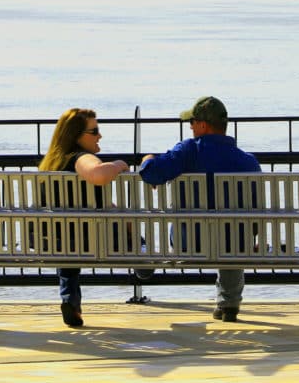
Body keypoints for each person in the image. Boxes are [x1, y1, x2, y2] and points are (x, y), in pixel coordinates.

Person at [139, 96, 260, 322]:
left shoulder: (189, 151)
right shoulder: (248, 162)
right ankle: (229, 304)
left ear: (203, 125)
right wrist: (250, 237)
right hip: (235, 243)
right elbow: (255, 210)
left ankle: (227, 303)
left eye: (192, 122)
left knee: (217, 231)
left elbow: (152, 173)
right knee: (233, 236)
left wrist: (147, 159)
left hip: (189, 243)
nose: (191, 127)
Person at [39, 107, 129, 327]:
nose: (100, 135)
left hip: (55, 239)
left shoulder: (52, 163)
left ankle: (71, 301)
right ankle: (144, 264)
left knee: (70, 239)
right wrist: (118, 164)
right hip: (91, 237)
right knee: (126, 228)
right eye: (94, 131)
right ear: (76, 136)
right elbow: (98, 175)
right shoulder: (81, 158)